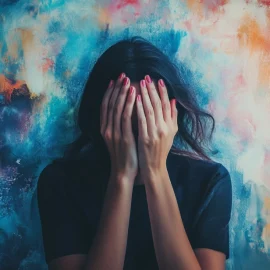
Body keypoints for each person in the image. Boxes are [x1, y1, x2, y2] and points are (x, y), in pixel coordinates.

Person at [37, 36, 232, 270]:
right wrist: (121, 177)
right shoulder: (59, 182)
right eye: (124, 114)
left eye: (150, 113)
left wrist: (155, 173)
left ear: (170, 116)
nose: (142, 133)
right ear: (101, 114)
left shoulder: (210, 182)